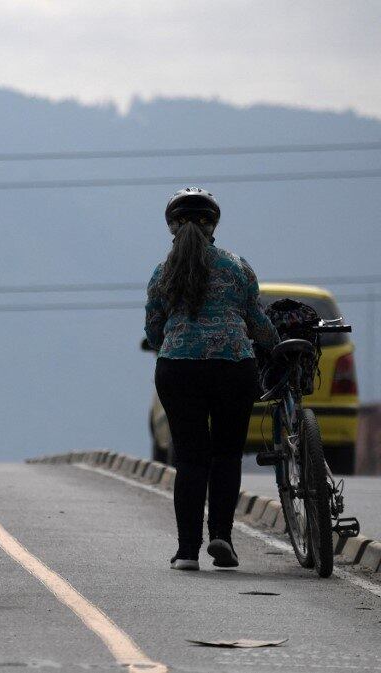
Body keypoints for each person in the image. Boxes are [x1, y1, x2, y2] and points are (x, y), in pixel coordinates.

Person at [145, 187, 279, 570]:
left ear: (172, 226)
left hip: (179, 369)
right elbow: (256, 321)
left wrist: (175, 339)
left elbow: (154, 330)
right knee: (226, 455)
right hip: (233, 367)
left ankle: (187, 551)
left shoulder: (162, 271)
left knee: (190, 460)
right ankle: (222, 536)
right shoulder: (237, 267)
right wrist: (275, 343)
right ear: (213, 225)